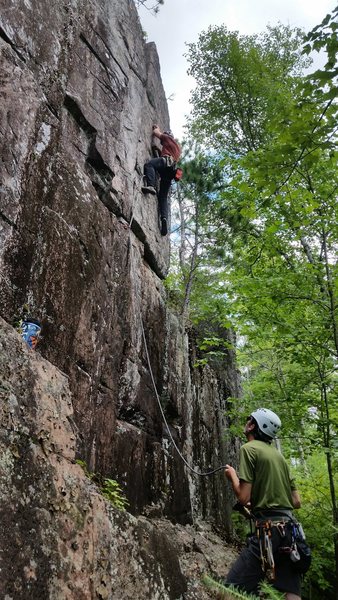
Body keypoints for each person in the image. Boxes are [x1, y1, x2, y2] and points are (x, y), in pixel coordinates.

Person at [224, 408, 303, 600]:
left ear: (253, 425)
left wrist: (232, 476)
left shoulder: (249, 449)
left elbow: (243, 498)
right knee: (289, 592)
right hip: (290, 533)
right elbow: (296, 501)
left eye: (249, 419)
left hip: (268, 532)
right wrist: (262, 501)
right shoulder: (280, 458)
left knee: (229, 590)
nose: (246, 422)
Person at [142, 125, 181, 236]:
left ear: (168, 135)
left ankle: (151, 186)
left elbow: (156, 132)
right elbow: (167, 152)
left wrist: (156, 127)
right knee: (163, 197)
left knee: (149, 165)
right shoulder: (177, 148)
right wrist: (158, 151)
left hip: (165, 163)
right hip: (171, 171)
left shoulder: (167, 138)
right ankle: (163, 218)